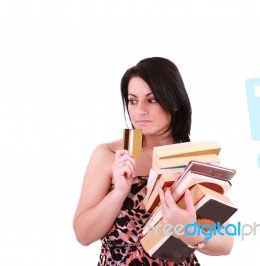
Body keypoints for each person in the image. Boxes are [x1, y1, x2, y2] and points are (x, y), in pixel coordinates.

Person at [73, 57, 234, 265]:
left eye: (152, 99)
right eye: (132, 100)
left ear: (174, 103)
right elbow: (83, 235)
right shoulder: (109, 154)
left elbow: (226, 243)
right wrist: (118, 193)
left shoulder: (194, 160)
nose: (139, 110)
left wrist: (189, 232)